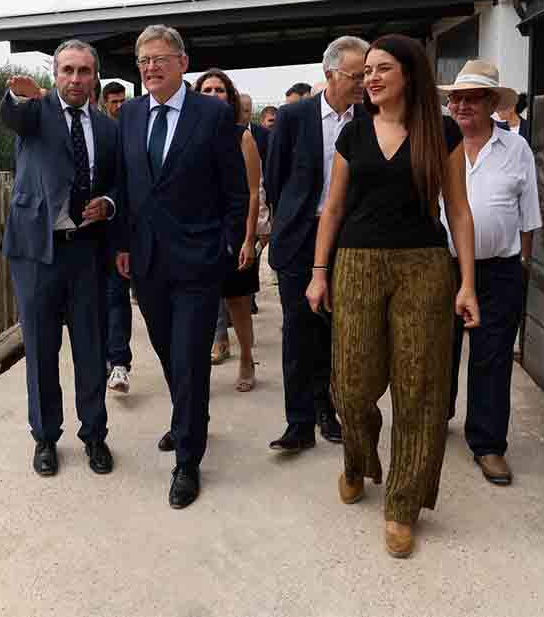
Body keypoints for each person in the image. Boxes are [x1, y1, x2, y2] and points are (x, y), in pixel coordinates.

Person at [305, 34, 479, 559]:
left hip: (424, 267)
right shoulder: (353, 134)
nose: (371, 78)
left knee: (419, 390)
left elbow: (459, 210)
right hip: (356, 264)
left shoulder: (441, 131)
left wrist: (467, 282)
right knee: (352, 388)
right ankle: (358, 460)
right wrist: (319, 272)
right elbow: (331, 210)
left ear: (409, 74)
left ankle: (402, 505)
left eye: (382, 69)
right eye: (366, 71)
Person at [115, 25, 248, 509]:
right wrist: (123, 244)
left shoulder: (211, 114)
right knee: (169, 352)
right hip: (147, 261)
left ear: (182, 63)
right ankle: (188, 419)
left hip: (198, 259)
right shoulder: (129, 114)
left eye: (160, 58)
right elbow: (127, 187)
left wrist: (227, 243)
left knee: (191, 357)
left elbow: (235, 190)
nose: (150, 67)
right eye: (143, 60)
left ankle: (188, 460)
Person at [0, 39, 119, 478]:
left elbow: (119, 181)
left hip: (86, 252)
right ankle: (45, 438)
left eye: (83, 71)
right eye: (67, 70)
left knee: (91, 348)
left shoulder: (108, 128)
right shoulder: (35, 111)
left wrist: (108, 202)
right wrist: (17, 94)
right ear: (55, 74)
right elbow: (11, 113)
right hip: (35, 253)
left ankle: (95, 435)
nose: (75, 79)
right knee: (41, 349)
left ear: (94, 77)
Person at [264, 36, 369, 452]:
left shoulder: (368, 119)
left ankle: (328, 408)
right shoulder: (293, 118)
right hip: (298, 239)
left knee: (336, 329)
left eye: (366, 75)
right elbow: (275, 179)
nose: (363, 83)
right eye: (355, 75)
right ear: (329, 75)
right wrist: (289, 220)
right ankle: (298, 422)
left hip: (349, 241)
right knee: (297, 329)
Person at [440, 60, 541, 486]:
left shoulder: (517, 148)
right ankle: (436, 417)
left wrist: (522, 266)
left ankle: (488, 444)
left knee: (493, 357)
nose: (461, 105)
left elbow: (528, 214)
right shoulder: (441, 144)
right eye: (455, 98)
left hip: (499, 270)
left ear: (491, 103)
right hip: (442, 267)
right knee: (437, 350)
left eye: (471, 98)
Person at [196, 70, 262, 392]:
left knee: (237, 303)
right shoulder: (188, 134)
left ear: (229, 96)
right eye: (206, 89)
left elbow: (252, 192)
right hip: (197, 232)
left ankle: (247, 358)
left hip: (234, 233)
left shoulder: (242, 137)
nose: (213, 94)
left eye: (219, 89)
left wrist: (249, 239)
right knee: (199, 305)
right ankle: (203, 362)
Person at [99, 80, 132, 393]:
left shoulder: (133, 131)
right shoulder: (96, 133)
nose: (119, 106)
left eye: (123, 100)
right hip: (94, 232)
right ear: (104, 103)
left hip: (122, 231)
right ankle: (106, 360)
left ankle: (120, 362)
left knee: (116, 296)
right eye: (114, 101)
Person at [241, 92, 270, 163]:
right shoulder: (225, 133)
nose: (241, 115)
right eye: (238, 110)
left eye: (245, 111)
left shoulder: (265, 135)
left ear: (251, 111)